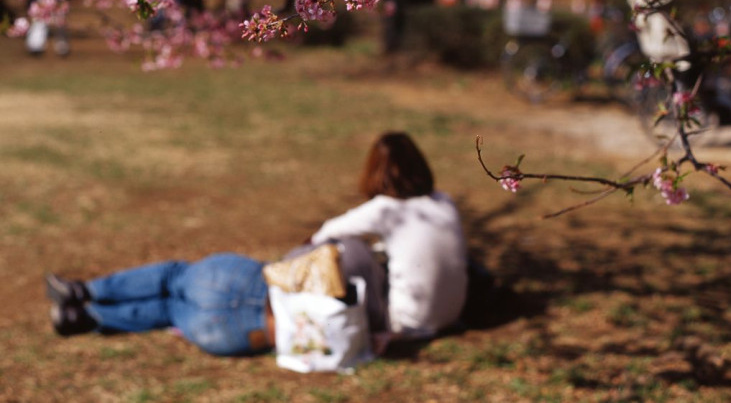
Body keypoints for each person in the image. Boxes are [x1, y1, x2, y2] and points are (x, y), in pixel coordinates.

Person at [45, 132, 466, 355]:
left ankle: (87, 292)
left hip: (241, 286)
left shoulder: (379, 217)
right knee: (170, 308)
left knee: (175, 276)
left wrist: (309, 248)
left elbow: (325, 234)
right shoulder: (442, 206)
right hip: (232, 336)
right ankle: (91, 317)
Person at [311, 132, 468, 339]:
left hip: (407, 324)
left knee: (349, 249)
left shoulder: (386, 209)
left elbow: (324, 234)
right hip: (452, 314)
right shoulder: (444, 200)